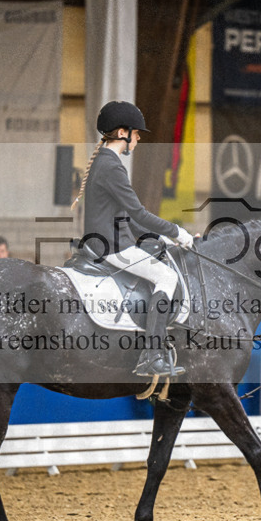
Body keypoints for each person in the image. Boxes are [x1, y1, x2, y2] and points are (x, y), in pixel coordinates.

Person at [72, 100, 194, 379]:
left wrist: (162, 236)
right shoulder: (112, 166)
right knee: (167, 278)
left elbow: (128, 216)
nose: (138, 139)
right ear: (123, 132)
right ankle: (152, 355)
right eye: (137, 133)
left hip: (107, 240)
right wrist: (178, 232)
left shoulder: (103, 162)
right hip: (113, 246)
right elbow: (138, 213)